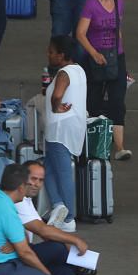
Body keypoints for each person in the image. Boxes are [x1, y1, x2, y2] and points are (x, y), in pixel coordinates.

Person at [14, 159, 94, 275]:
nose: (36, 184)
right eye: (33, 178)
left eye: (41, 180)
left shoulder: (26, 200)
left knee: (64, 273)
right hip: (15, 257)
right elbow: (42, 231)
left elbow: (45, 231)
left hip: (22, 252)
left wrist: (66, 243)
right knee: (57, 248)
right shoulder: (18, 201)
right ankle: (80, 265)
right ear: (22, 178)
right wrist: (75, 241)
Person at [76, 0, 131, 160]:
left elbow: (119, 31)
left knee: (117, 100)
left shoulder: (119, 3)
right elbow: (80, 33)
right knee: (94, 100)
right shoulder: (91, 4)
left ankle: (120, 147)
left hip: (116, 56)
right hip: (95, 58)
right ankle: (94, 143)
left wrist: (121, 60)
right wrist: (93, 53)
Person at [44, 36, 88, 233]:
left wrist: (55, 106)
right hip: (74, 126)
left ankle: (68, 217)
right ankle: (58, 204)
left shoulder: (63, 73)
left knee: (61, 172)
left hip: (59, 129)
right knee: (50, 166)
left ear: (61, 55)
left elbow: (57, 95)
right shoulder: (79, 70)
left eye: (52, 52)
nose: (49, 55)